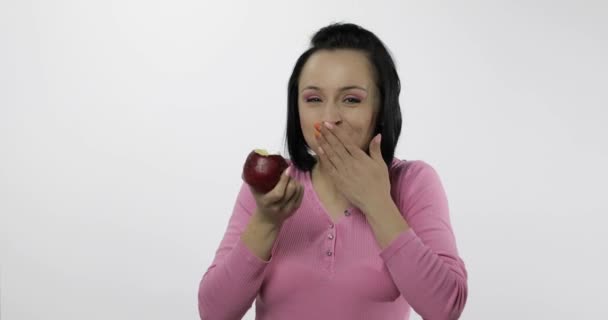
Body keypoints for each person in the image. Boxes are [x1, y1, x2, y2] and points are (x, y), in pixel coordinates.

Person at [198, 22, 468, 320]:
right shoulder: (274, 187)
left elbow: (445, 308)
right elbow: (214, 312)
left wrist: (377, 203)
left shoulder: (413, 182)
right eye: (313, 99)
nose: (329, 119)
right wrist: (266, 221)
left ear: (382, 108)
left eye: (351, 99)